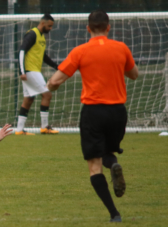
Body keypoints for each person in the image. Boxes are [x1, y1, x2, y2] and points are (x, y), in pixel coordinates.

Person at [46, 10, 138, 222]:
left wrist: (51, 87)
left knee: (94, 166)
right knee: (108, 151)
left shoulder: (81, 51)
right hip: (118, 112)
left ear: (88, 28)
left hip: (93, 111)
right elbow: (134, 75)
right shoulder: (121, 48)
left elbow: (55, 81)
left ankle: (114, 213)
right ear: (108, 27)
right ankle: (113, 164)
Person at [16, 14, 60, 135]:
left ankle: (19, 130)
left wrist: (57, 67)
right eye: (49, 26)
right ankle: (45, 127)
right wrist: (22, 71)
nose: (50, 28)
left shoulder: (41, 37)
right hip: (30, 71)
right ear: (42, 23)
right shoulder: (32, 34)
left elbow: (44, 56)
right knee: (47, 95)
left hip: (33, 71)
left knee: (29, 99)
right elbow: (21, 51)